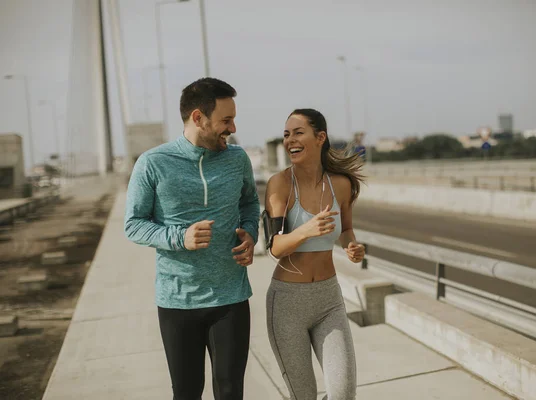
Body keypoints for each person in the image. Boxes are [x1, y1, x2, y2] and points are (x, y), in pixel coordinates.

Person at [124, 77, 260, 400]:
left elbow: (250, 202)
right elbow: (133, 224)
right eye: (226, 120)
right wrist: (178, 237)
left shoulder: (237, 159)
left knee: (230, 392)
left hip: (231, 297)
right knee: (186, 393)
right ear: (198, 118)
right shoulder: (153, 164)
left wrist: (251, 233)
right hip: (177, 300)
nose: (233, 127)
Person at [263, 108, 366, 400]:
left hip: (329, 300)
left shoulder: (342, 185)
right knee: (304, 396)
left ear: (320, 137)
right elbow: (275, 247)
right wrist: (305, 231)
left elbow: (346, 230)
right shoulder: (280, 184)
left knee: (343, 394)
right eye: (286, 134)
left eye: (298, 133)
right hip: (287, 304)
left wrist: (352, 247)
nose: (290, 140)